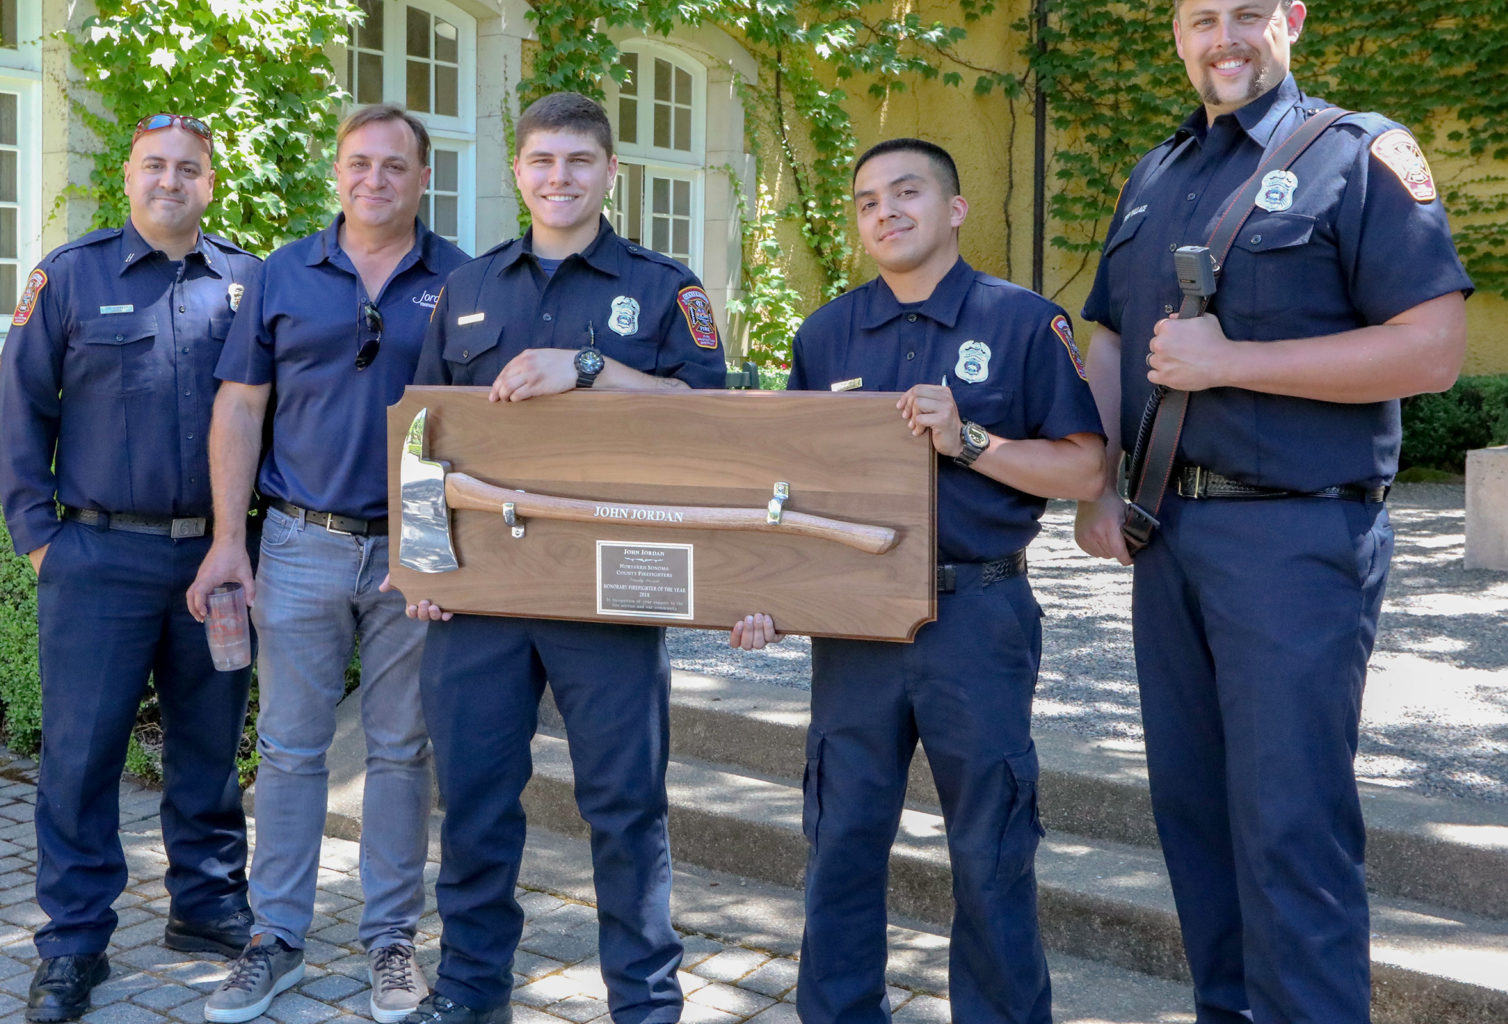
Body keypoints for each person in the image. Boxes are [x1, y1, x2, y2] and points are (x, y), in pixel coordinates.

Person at [1073, 0, 1472, 1023]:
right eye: (1202, 18)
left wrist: (1237, 361)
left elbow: (1432, 348)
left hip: (1296, 541)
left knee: (1289, 822)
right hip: (1170, 541)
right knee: (1194, 817)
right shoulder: (1156, 173)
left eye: (1249, 12)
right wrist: (1094, 483)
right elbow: (1109, 341)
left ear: (1291, 23)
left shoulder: (1357, 154)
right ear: (1179, 38)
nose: (1225, 37)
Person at [732, 138, 1105, 1024]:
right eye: (866, 200)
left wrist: (969, 438)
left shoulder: (1022, 323)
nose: (886, 211)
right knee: (843, 840)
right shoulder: (826, 333)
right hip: (855, 621)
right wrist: (773, 593)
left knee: (991, 847)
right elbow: (792, 484)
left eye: (907, 192)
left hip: (975, 609)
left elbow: (1086, 471)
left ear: (955, 208)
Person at [400, 91, 726, 1024]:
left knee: (624, 809)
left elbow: (714, 421)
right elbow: (428, 437)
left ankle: (645, 1003)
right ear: (517, 173)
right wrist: (425, 567)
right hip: (485, 595)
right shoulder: (466, 291)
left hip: (612, 584)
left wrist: (587, 369)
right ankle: (468, 994)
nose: (560, 178)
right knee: (473, 804)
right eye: (542, 161)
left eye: (579, 162)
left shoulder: (666, 288)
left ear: (609, 173)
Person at [186, 103, 470, 1024]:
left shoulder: (464, 280)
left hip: (415, 547)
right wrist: (232, 541)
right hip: (299, 542)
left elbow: (478, 429)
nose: (375, 180)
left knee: (399, 751)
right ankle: (276, 943)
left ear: (424, 178)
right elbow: (239, 407)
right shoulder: (282, 274)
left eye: (395, 166)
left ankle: (391, 945)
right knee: (290, 750)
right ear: (336, 173)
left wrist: (428, 545)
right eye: (359, 163)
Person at [0, 113, 261, 1023]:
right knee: (81, 754)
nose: (171, 182)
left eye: (189, 168)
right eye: (155, 166)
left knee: (209, 743)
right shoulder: (70, 277)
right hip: (98, 556)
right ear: (128, 176)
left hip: (214, 555)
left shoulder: (246, 283)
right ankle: (73, 943)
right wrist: (40, 538)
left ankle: (208, 904)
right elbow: (20, 410)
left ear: (211, 183)